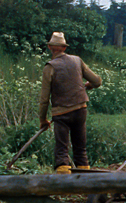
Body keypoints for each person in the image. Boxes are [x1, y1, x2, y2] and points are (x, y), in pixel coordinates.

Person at [38, 32, 102, 173]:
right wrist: (89, 85)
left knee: (62, 151)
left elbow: (44, 99)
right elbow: (97, 81)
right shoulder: (77, 60)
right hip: (80, 110)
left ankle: (64, 185)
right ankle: (84, 180)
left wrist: (43, 119)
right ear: (64, 48)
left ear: (49, 47)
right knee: (81, 149)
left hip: (61, 113)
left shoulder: (49, 67)